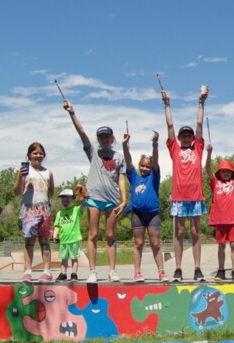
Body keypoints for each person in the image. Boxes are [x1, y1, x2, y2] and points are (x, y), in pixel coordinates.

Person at [64, 100, 127, 283]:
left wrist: (124, 200)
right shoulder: (92, 152)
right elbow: (81, 133)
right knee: (93, 234)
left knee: (110, 235)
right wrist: (72, 113)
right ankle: (92, 271)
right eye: (101, 137)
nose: (105, 139)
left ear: (112, 138)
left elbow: (121, 178)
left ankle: (112, 270)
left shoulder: (119, 157)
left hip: (112, 200)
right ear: (98, 139)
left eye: (107, 137)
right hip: (94, 198)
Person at [162, 87, 208, 282]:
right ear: (180, 138)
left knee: (195, 231)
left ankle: (197, 268)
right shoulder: (175, 149)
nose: (187, 137)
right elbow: (170, 125)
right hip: (179, 197)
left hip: (196, 197)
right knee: (180, 232)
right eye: (184, 135)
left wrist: (201, 102)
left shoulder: (198, 147)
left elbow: (199, 123)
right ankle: (178, 268)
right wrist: (167, 105)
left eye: (189, 135)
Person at [122, 130, 168, 282]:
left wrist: (155, 145)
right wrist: (125, 145)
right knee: (138, 243)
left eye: (147, 167)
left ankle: (161, 272)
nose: (145, 169)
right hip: (138, 215)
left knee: (155, 243)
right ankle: (137, 272)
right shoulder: (134, 177)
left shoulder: (154, 178)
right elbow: (128, 162)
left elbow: (155, 162)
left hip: (152, 214)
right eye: (142, 166)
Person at [205, 142, 234, 283]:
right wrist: (209, 152)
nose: (226, 173)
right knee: (221, 245)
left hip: (233, 219)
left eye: (228, 171)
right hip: (219, 220)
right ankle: (221, 269)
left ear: (232, 173)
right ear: (219, 173)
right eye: (223, 171)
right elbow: (207, 169)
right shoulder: (215, 182)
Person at [13, 142, 55, 282]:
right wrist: (20, 177)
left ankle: (47, 271)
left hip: (44, 209)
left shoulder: (48, 172)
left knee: (44, 242)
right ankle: (28, 272)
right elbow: (17, 192)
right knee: (29, 241)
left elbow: (52, 191)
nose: (38, 156)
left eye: (40, 153)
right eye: (35, 153)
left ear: (44, 155)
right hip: (29, 209)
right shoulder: (24, 171)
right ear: (29, 155)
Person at [53, 186, 87, 282]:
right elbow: (57, 226)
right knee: (63, 258)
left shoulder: (76, 210)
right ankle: (63, 274)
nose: (65, 201)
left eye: (68, 198)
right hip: (63, 240)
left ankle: (74, 274)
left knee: (74, 258)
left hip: (74, 239)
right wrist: (55, 235)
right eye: (63, 199)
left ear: (72, 199)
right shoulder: (59, 213)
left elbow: (83, 205)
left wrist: (84, 196)